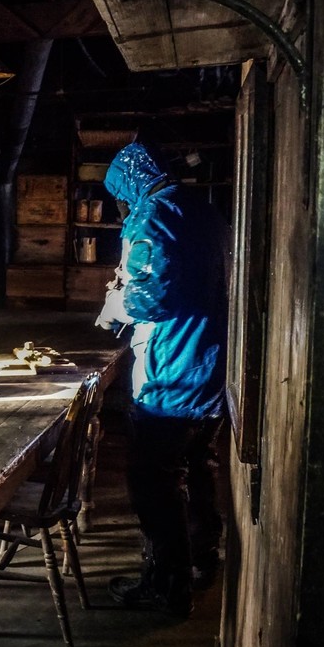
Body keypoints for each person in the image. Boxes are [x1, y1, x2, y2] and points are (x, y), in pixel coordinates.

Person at [94, 138, 229, 618]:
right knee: (195, 467)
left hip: (172, 372)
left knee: (152, 483)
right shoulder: (201, 210)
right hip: (209, 367)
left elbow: (153, 299)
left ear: (129, 182)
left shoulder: (154, 215)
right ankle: (202, 563)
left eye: (120, 194)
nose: (122, 205)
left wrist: (118, 303)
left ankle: (167, 588)